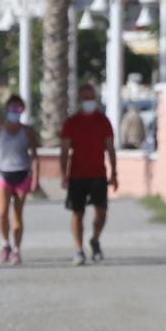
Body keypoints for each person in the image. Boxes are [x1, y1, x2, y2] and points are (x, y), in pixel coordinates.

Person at [60, 83, 117, 265]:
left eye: (91, 97)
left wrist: (114, 173)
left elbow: (110, 148)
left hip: (98, 174)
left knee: (101, 212)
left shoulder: (103, 121)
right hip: (77, 175)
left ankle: (95, 239)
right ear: (80, 100)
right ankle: (78, 250)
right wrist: (63, 174)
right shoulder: (71, 123)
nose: (89, 101)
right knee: (77, 213)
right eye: (85, 98)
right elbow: (64, 151)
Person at [0, 95, 39, 265]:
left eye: (18, 109)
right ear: (6, 110)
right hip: (3, 174)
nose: (15, 112)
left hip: (22, 174)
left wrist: (35, 178)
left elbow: (34, 156)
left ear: (22, 110)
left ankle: (16, 249)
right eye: (12, 108)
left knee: (17, 214)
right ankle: (5, 244)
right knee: (2, 213)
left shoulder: (27, 132)